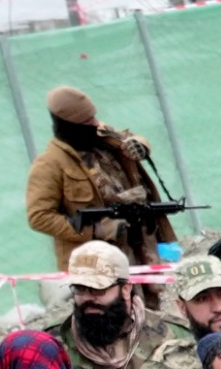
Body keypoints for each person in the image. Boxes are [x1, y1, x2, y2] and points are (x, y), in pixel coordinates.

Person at [24, 85, 170, 271]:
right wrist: (95, 230)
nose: (95, 123)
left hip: (141, 246)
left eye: (93, 117)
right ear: (70, 126)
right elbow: (39, 217)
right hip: (96, 263)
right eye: (87, 121)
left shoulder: (103, 135)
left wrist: (140, 145)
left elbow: (132, 138)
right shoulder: (49, 164)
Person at [42, 243, 170, 369]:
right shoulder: (52, 343)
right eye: (80, 288)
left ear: (125, 289)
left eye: (98, 289)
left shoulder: (169, 334)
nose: (87, 298)